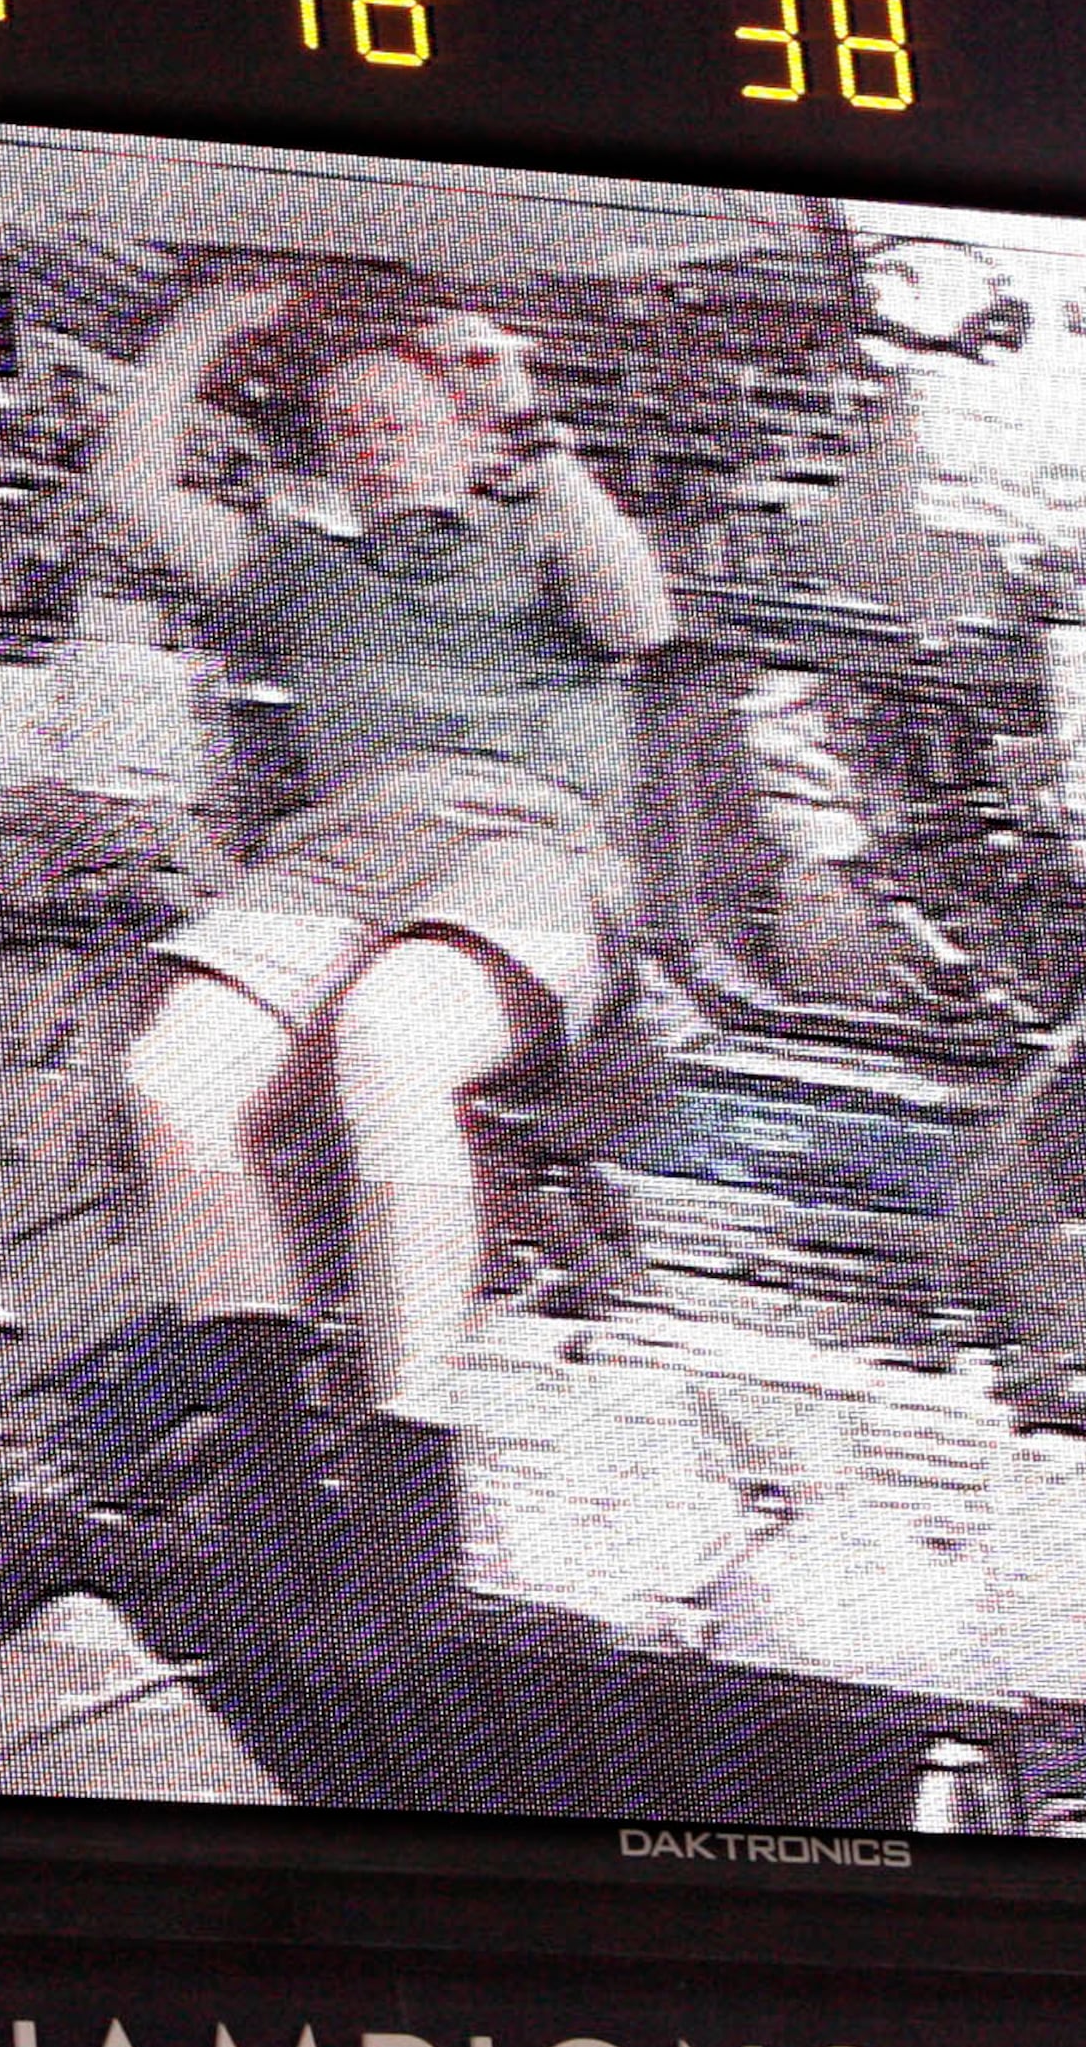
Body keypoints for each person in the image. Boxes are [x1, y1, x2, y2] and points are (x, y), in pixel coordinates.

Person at [82, 266, 675, 1808]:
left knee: (394, 1045)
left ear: (471, 437)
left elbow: (644, 611)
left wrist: (529, 424)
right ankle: (276, 1477)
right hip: (340, 850)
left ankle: (411, 1473)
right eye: (348, 425)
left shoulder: (541, 531)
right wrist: (206, 332)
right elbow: (129, 491)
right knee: (173, 1080)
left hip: (528, 842)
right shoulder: (306, 570)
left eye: (402, 417)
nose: (372, 443)